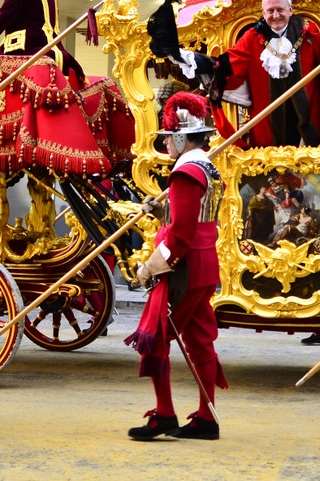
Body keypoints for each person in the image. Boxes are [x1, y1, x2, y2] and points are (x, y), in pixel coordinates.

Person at [125, 92, 228, 441]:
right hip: (204, 263)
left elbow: (182, 234)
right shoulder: (207, 166)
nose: (166, 144)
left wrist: (153, 266)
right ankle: (205, 417)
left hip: (181, 266)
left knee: (155, 338)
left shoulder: (185, 171)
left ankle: (165, 414)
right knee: (199, 340)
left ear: (181, 136)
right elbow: (193, 217)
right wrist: (162, 210)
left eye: (168, 137)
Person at [211, 0, 320, 147]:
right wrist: (203, 65)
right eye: (270, 11)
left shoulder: (311, 32)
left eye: (280, 10)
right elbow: (232, 61)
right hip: (267, 129)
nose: (275, 15)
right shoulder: (252, 37)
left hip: (308, 123)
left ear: (290, 10)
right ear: (263, 13)